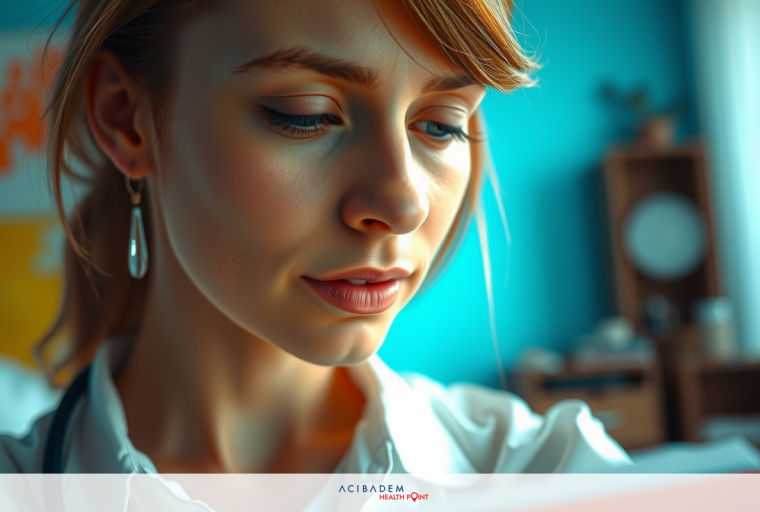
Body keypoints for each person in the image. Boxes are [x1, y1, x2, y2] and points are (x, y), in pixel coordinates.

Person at [0, 0, 632, 474]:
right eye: (306, 114)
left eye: (441, 125)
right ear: (125, 119)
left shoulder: (545, 470)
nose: (405, 202)